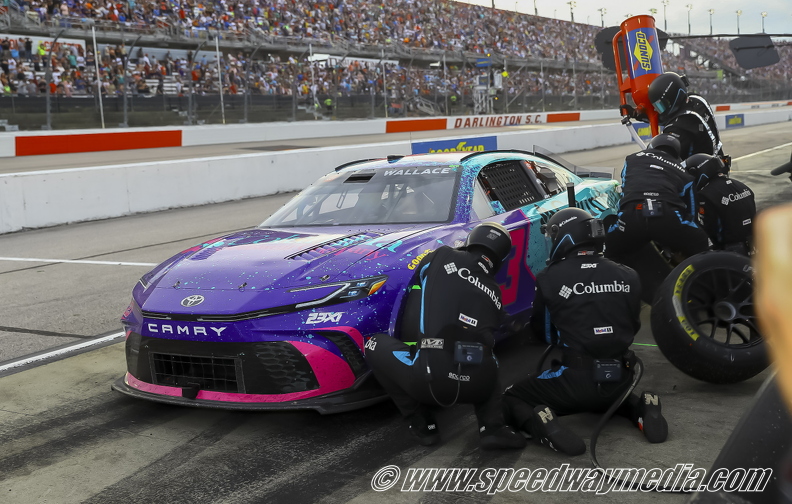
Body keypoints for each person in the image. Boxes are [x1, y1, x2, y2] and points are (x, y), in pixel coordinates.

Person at [503, 208, 668, 456]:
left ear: (565, 236)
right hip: (622, 376)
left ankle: (545, 426)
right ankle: (642, 408)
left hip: (576, 379)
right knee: (607, 398)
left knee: (511, 397)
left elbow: (544, 334)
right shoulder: (628, 274)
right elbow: (632, 325)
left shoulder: (550, 277)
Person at [365, 222, 526, 450]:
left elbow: (419, 281)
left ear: (471, 240)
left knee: (373, 344)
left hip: (431, 379)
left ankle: (423, 425)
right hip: (479, 385)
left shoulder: (442, 255)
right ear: (501, 257)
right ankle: (493, 427)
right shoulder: (495, 292)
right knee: (486, 353)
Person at [605, 133, 710, 263]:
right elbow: (692, 212)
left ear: (651, 146)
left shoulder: (631, 159)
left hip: (632, 214)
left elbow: (625, 187)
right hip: (667, 216)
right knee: (701, 242)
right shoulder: (684, 172)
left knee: (610, 252)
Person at [685, 153, 756, 255]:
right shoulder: (741, 186)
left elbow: (709, 229)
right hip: (755, 244)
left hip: (729, 251)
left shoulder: (705, 195)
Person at [647, 72, 724, 159]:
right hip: (720, 160)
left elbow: (665, 158)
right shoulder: (698, 100)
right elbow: (675, 116)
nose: (657, 111)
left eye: (661, 106)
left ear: (671, 98)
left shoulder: (678, 127)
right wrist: (644, 116)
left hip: (700, 167)